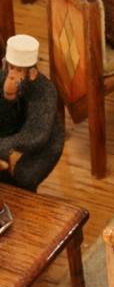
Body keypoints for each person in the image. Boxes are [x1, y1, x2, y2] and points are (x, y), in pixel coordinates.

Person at [0, 35, 64, 191]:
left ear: (32, 74)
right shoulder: (2, 78)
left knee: (24, 177)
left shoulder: (45, 91)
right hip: (13, 130)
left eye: (19, 70)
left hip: (45, 142)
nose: (11, 76)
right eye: (11, 68)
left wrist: (6, 144)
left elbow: (36, 134)